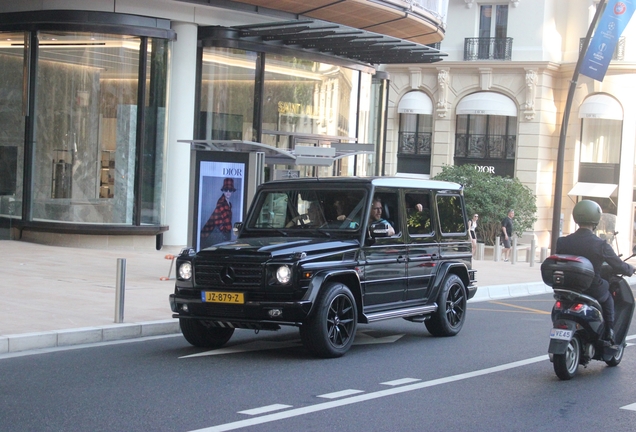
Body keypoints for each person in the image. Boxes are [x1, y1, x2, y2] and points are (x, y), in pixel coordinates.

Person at [555, 200, 634, 344]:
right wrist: (630, 269)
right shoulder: (601, 245)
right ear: (596, 219)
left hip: (567, 287)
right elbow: (618, 265)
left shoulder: (562, 241)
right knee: (608, 298)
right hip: (591, 288)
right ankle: (610, 331)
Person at [200, 178, 235, 248]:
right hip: (215, 235)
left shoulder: (228, 204)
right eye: (226, 190)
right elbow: (227, 225)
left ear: (232, 191)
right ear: (223, 191)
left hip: (217, 234)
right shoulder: (221, 203)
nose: (228, 192)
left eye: (230, 190)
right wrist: (224, 230)